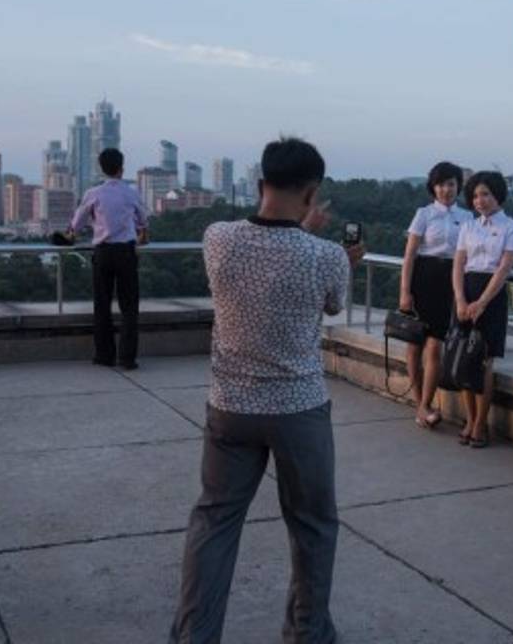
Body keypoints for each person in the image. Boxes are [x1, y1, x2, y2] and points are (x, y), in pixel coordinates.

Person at [171, 137, 364, 644]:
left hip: (230, 405)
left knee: (214, 521)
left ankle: (195, 636)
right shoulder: (325, 257)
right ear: (312, 193)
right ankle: (308, 632)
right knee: (313, 526)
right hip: (298, 407)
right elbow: (333, 306)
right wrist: (344, 257)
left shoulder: (218, 239)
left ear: (260, 184)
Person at [451, 171, 513, 449]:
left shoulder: (512, 227)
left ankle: (481, 424)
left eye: (485, 194)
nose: (479, 200)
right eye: (475, 195)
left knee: (484, 361)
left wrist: (481, 302)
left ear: (498, 195)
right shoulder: (468, 226)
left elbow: (504, 268)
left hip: (490, 294)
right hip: (465, 290)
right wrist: (460, 299)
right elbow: (458, 264)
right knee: (462, 356)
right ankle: (468, 420)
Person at [398, 161, 470, 428]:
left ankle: (425, 405)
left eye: (451, 184)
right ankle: (421, 405)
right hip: (423, 278)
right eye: (441, 184)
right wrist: (405, 291)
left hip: (450, 281)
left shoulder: (467, 218)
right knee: (414, 346)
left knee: (435, 345)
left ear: (458, 187)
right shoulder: (424, 214)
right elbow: (409, 255)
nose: (446, 190)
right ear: (433, 187)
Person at [67, 147, 148, 370]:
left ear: (102, 168)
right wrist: (141, 232)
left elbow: (77, 222)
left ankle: (105, 355)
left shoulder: (94, 193)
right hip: (126, 253)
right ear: (121, 168)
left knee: (102, 305)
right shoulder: (131, 192)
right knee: (129, 307)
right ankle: (127, 358)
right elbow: (143, 219)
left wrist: (72, 233)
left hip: (102, 253)